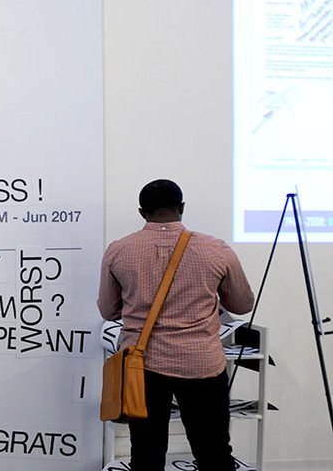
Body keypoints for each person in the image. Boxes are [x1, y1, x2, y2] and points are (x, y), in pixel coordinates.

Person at [97, 179, 254, 471]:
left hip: (142, 367)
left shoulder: (118, 251)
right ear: (182, 207)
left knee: (146, 454)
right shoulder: (216, 249)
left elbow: (108, 310)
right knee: (214, 453)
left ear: (142, 212)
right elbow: (242, 305)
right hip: (202, 364)